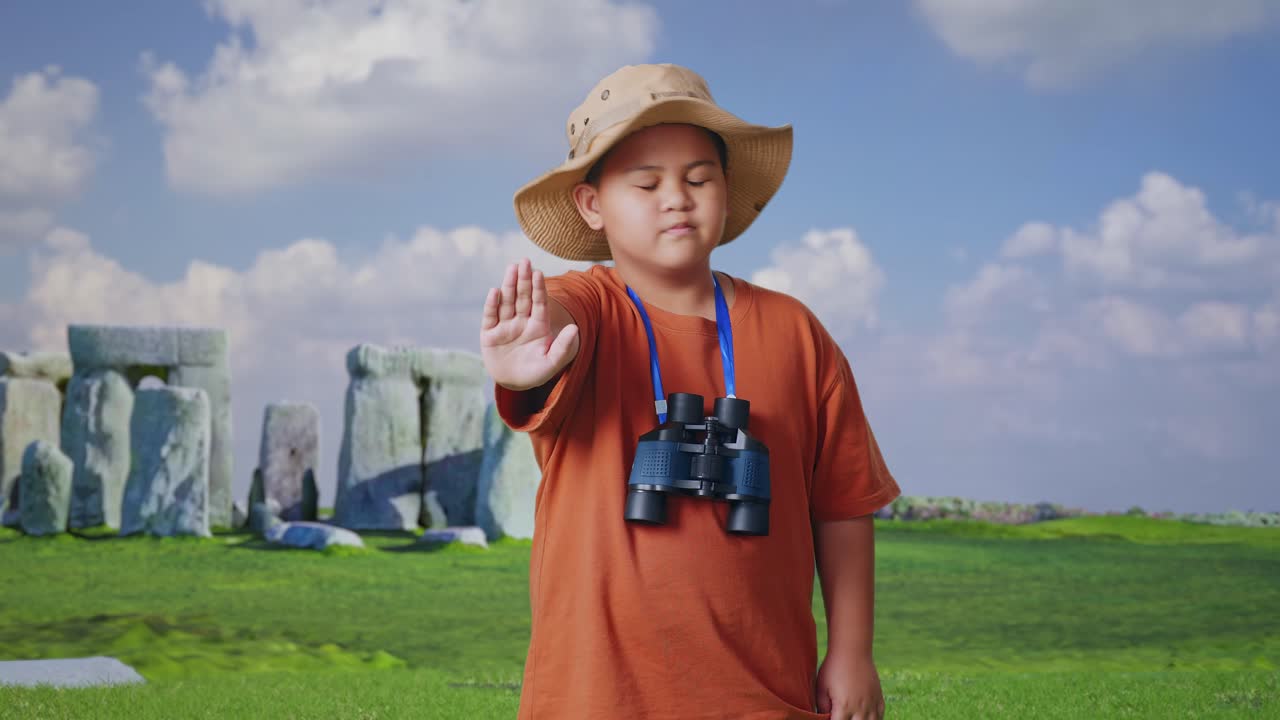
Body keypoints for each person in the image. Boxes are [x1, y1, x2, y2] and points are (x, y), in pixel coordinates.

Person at [479, 63, 900, 720]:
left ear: (727, 191)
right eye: (645, 183)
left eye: (699, 178)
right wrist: (527, 353)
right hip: (596, 698)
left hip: (764, 694)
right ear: (592, 205)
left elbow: (843, 505)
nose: (675, 197)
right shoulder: (590, 306)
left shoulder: (795, 332)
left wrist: (852, 650)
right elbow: (558, 320)